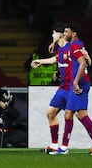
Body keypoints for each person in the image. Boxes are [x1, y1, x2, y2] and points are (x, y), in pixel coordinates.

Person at [50, 23, 92, 155]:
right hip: (75, 83)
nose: (64, 34)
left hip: (79, 84)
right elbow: (87, 61)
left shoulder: (75, 45)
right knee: (68, 114)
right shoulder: (74, 45)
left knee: (81, 114)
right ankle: (63, 148)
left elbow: (82, 63)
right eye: (63, 32)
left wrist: (75, 82)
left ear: (73, 33)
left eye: (66, 31)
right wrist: (54, 43)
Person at [31, 23, 70, 153]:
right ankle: (54, 145)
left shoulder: (71, 47)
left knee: (79, 117)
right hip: (62, 87)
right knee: (50, 113)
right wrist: (40, 61)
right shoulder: (60, 49)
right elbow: (56, 59)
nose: (52, 36)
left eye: (53, 33)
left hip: (71, 88)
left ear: (59, 34)